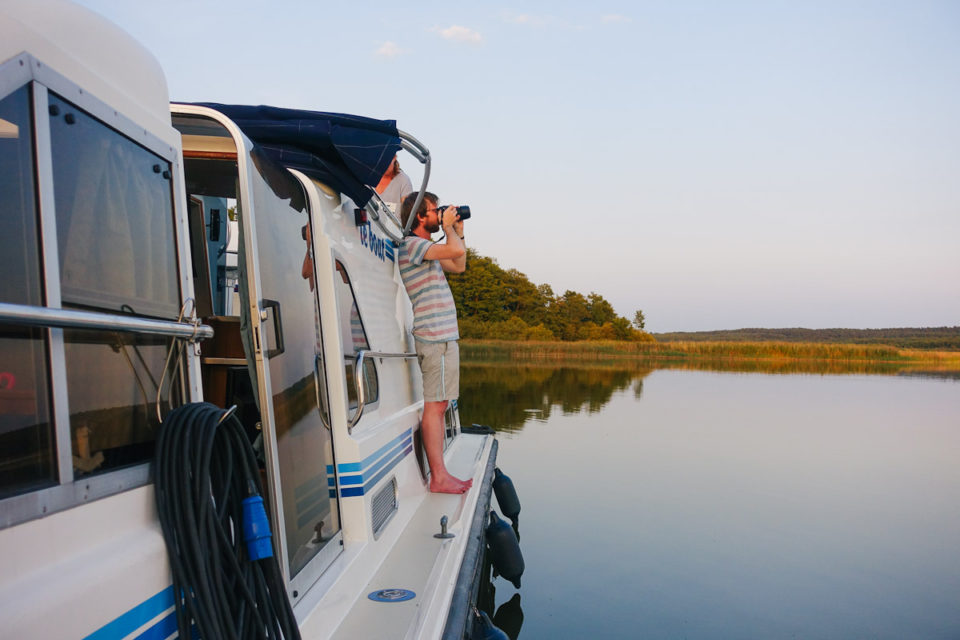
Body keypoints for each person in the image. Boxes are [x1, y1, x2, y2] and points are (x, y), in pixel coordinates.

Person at [398, 191, 472, 494]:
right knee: (436, 405)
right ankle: (439, 477)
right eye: (434, 210)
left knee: (440, 404)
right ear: (419, 216)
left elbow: (459, 265)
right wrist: (448, 227)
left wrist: (457, 231)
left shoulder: (425, 249)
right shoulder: (413, 245)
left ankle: (439, 473)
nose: (439, 213)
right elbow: (453, 253)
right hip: (435, 337)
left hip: (441, 337)